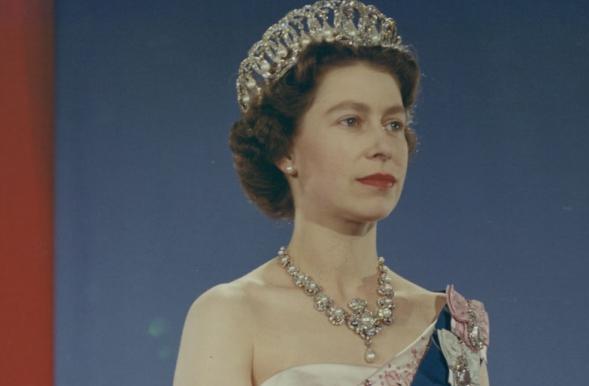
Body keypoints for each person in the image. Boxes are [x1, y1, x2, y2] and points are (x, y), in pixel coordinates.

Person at [173, 1, 490, 385]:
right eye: (351, 121)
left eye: (393, 124)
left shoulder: (449, 328)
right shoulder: (233, 314)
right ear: (284, 150)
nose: (382, 145)